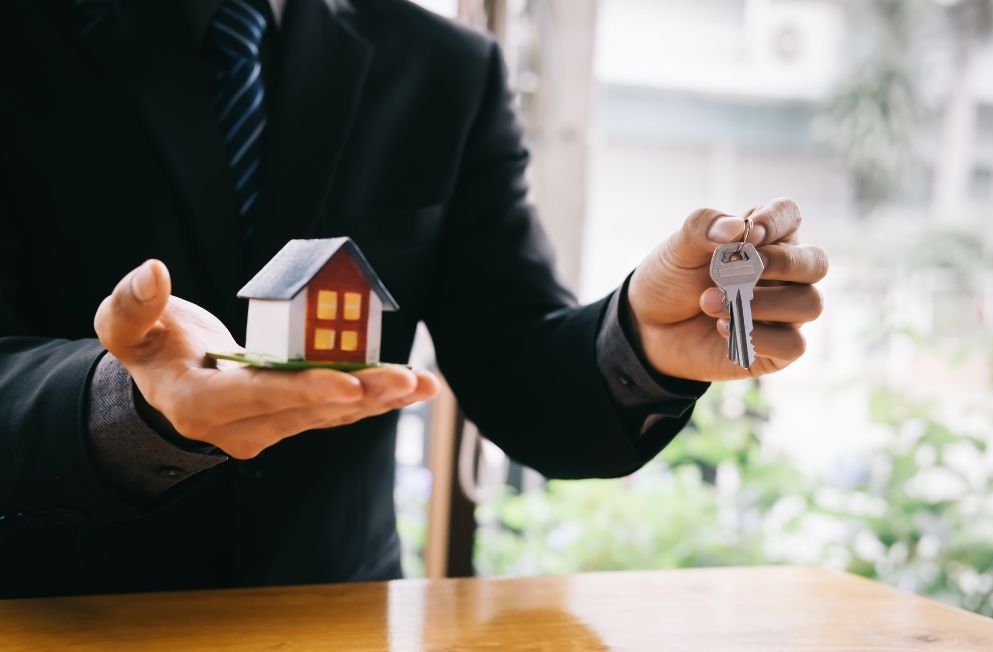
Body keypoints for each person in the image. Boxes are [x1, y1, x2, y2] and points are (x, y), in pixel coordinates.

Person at [0, 0, 827, 598]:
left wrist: (642, 341)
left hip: (337, 611)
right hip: (59, 615)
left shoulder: (445, 68)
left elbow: (519, 363)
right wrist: (125, 403)